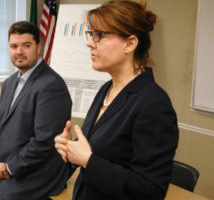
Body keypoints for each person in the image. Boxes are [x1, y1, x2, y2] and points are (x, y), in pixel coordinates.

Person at [54, 1, 179, 199]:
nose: (89, 42)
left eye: (99, 35)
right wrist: (71, 150)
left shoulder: (154, 104)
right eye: (91, 34)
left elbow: (150, 191)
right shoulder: (107, 89)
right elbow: (104, 150)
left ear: (130, 43)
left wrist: (88, 160)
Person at [0, 21, 72, 200]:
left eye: (26, 45)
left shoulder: (51, 85)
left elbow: (44, 142)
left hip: (35, 173)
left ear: (38, 48)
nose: (19, 51)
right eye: (14, 46)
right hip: (4, 164)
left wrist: (7, 169)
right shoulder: (9, 83)